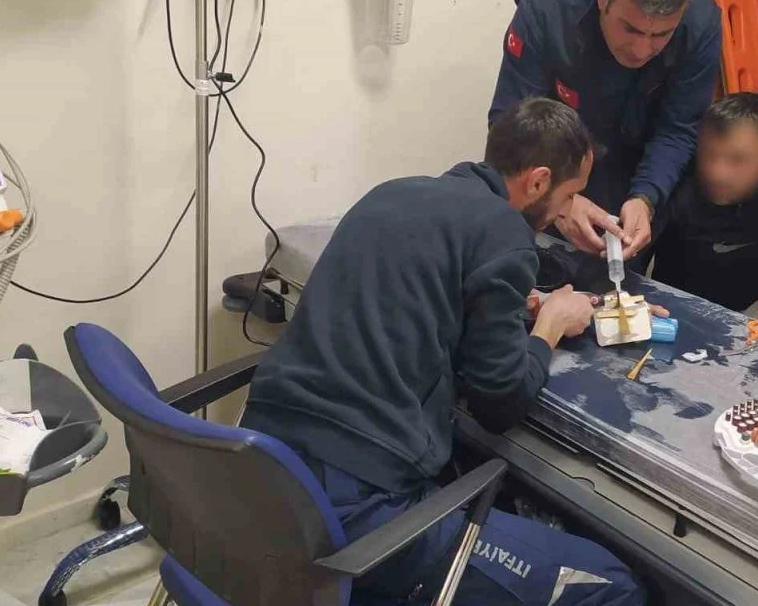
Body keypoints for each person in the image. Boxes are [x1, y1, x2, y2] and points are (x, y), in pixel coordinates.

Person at [241, 98, 646, 605]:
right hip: (354, 506)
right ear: (539, 181)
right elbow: (499, 402)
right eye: (568, 196)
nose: (567, 212)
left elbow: (416, 296)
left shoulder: (392, 193)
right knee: (610, 584)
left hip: (257, 467)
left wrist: (502, 307)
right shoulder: (505, 233)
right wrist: (551, 326)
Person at [490, 0, 758, 263]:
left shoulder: (700, 23)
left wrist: (646, 198)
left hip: (640, 170)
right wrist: (560, 202)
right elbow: (511, 127)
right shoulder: (548, 5)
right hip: (550, 179)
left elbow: (679, 126)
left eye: (660, 35)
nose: (641, 50)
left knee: (619, 282)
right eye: (630, 29)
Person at [651, 93, 758, 334]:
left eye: (737, 160)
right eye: (710, 156)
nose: (719, 173)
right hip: (671, 308)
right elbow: (633, 255)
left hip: (754, 311)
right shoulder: (678, 171)